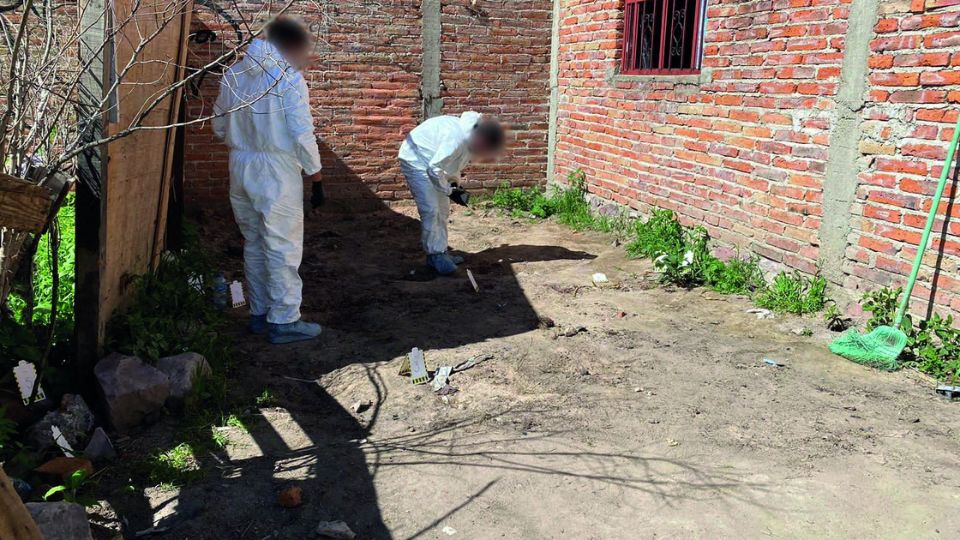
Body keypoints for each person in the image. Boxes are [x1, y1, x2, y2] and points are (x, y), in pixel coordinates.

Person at [212, 18, 326, 344]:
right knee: (283, 246)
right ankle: (285, 320)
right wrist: (315, 176)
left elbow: (219, 126)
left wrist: (243, 140)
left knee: (255, 242)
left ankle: (259, 314)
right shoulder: (287, 80)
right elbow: (302, 135)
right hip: (275, 169)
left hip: (240, 165)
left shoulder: (233, 75)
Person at [398, 113, 505, 274]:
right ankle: (434, 256)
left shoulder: (471, 140)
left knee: (443, 210)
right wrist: (449, 190)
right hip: (416, 160)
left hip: (433, 163)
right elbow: (434, 168)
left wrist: (454, 185)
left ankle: (441, 251)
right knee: (431, 209)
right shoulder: (456, 139)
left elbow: (453, 166)